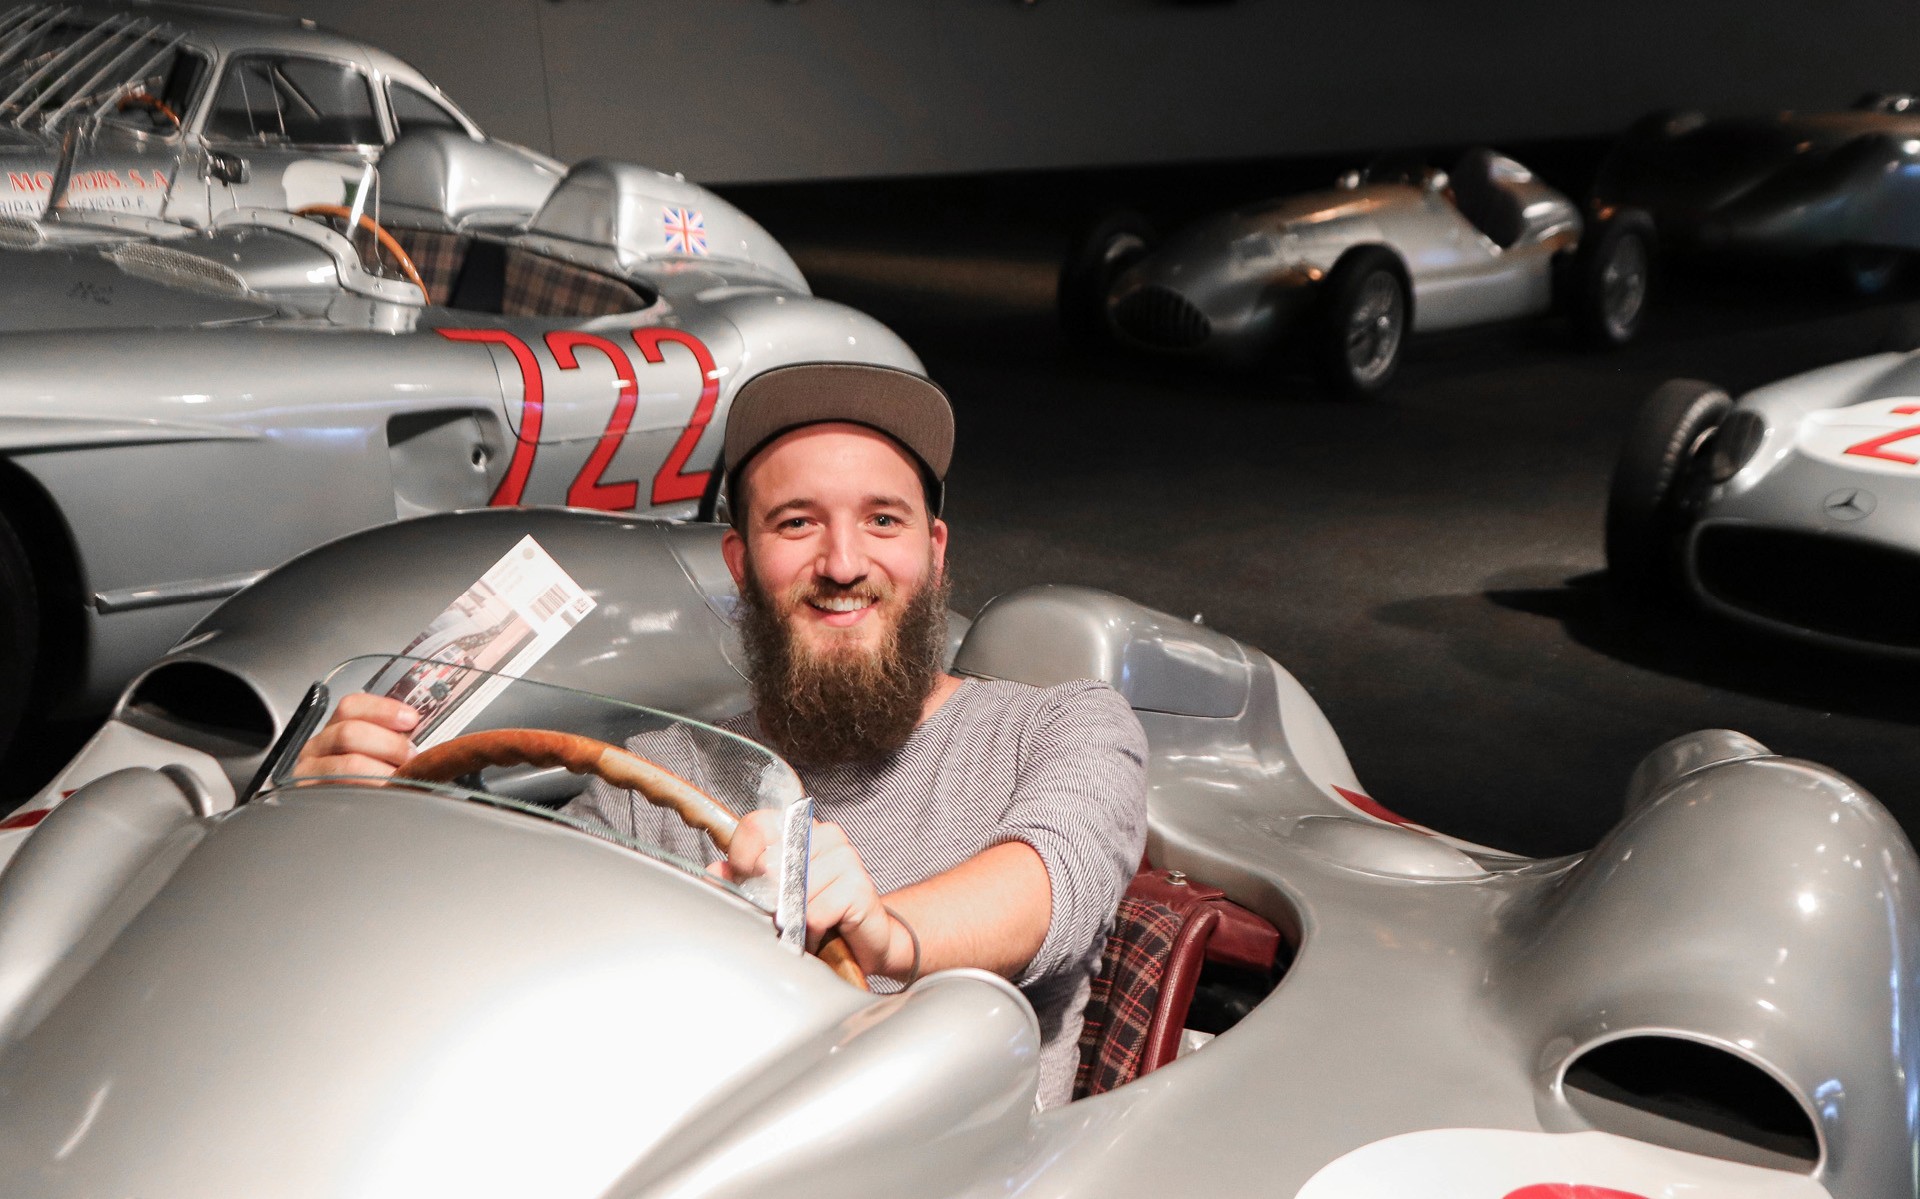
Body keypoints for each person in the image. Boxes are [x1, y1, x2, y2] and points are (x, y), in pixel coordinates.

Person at [295, 362, 1149, 1107]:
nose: (843, 563)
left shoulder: (1060, 728)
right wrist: (349, 831)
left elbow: (1051, 882)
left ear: (933, 551)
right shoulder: (651, 780)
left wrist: (883, 931)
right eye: (797, 522)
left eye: (883, 521)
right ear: (741, 564)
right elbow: (524, 962)